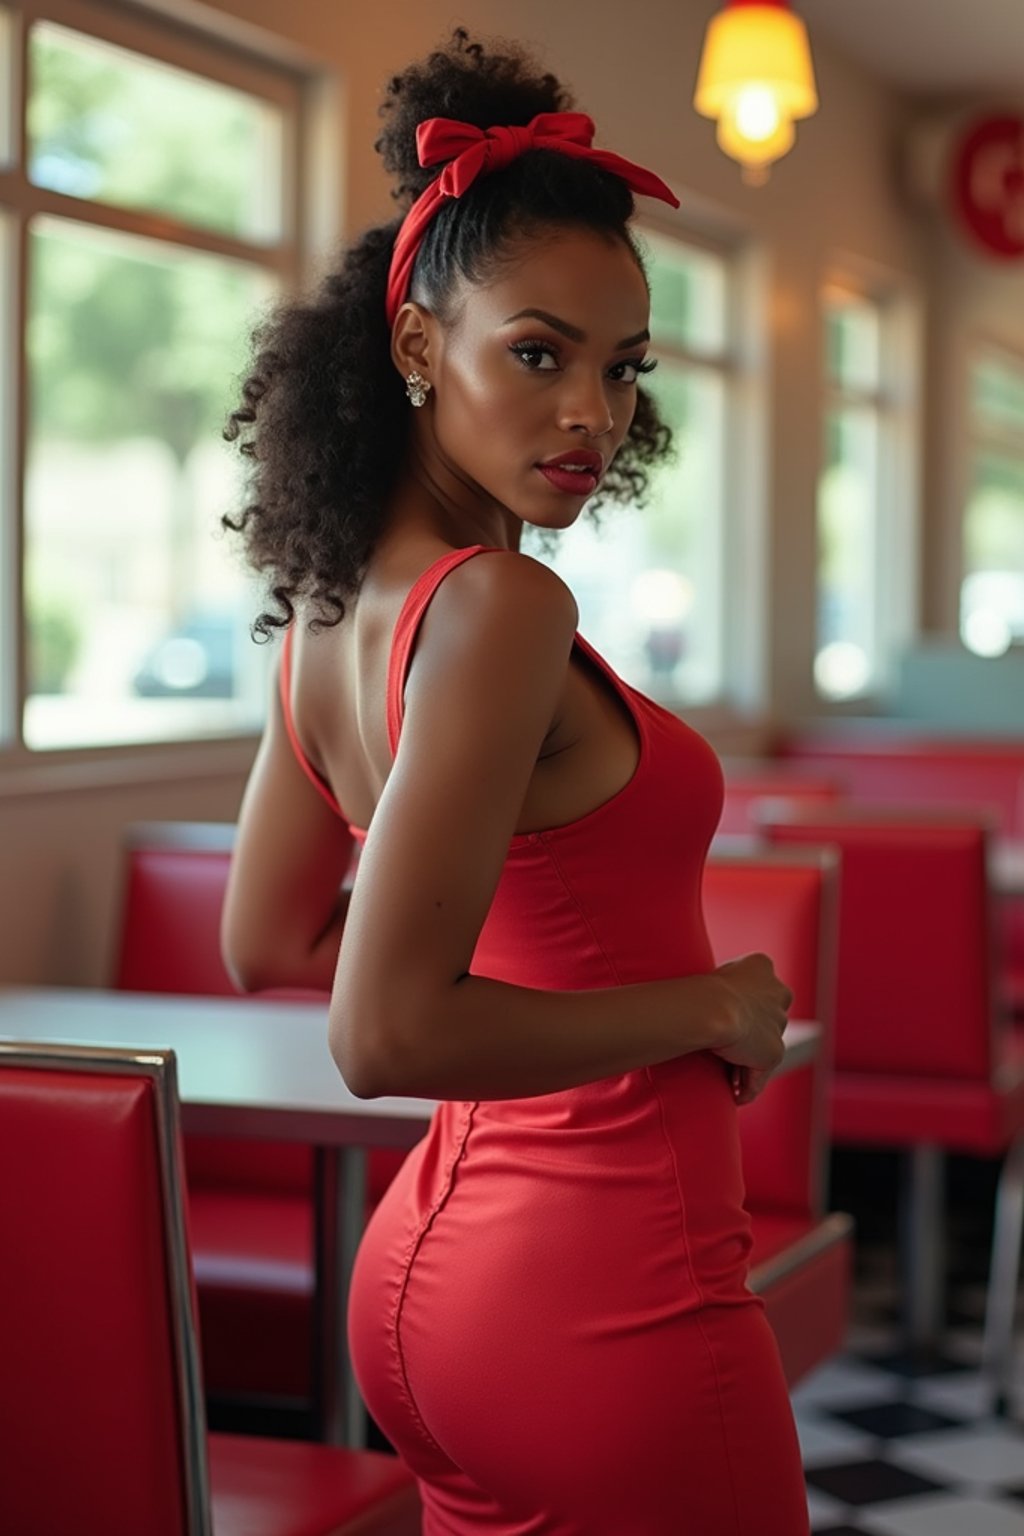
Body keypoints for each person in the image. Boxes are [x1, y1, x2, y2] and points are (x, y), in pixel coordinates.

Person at [221, 28, 808, 1536]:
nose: (590, 419)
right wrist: (704, 1007)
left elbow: (266, 942)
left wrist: (464, 910)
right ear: (418, 346)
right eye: (535, 354)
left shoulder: (328, 615)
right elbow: (383, 1028)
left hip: (431, 1294)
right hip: (606, 1290)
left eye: (622, 371)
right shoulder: (496, 610)